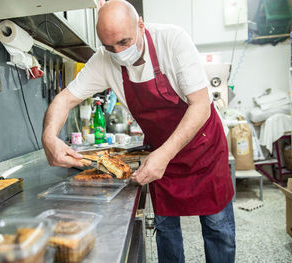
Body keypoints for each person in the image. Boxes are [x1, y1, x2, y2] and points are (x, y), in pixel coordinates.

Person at [42, 0, 235, 262]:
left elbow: (200, 106)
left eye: (124, 42)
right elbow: (64, 99)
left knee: (217, 227)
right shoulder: (103, 61)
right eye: (109, 47)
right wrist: (48, 137)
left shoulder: (173, 40)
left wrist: (165, 154)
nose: (118, 52)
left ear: (141, 25)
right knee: (166, 228)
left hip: (203, 149)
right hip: (161, 157)